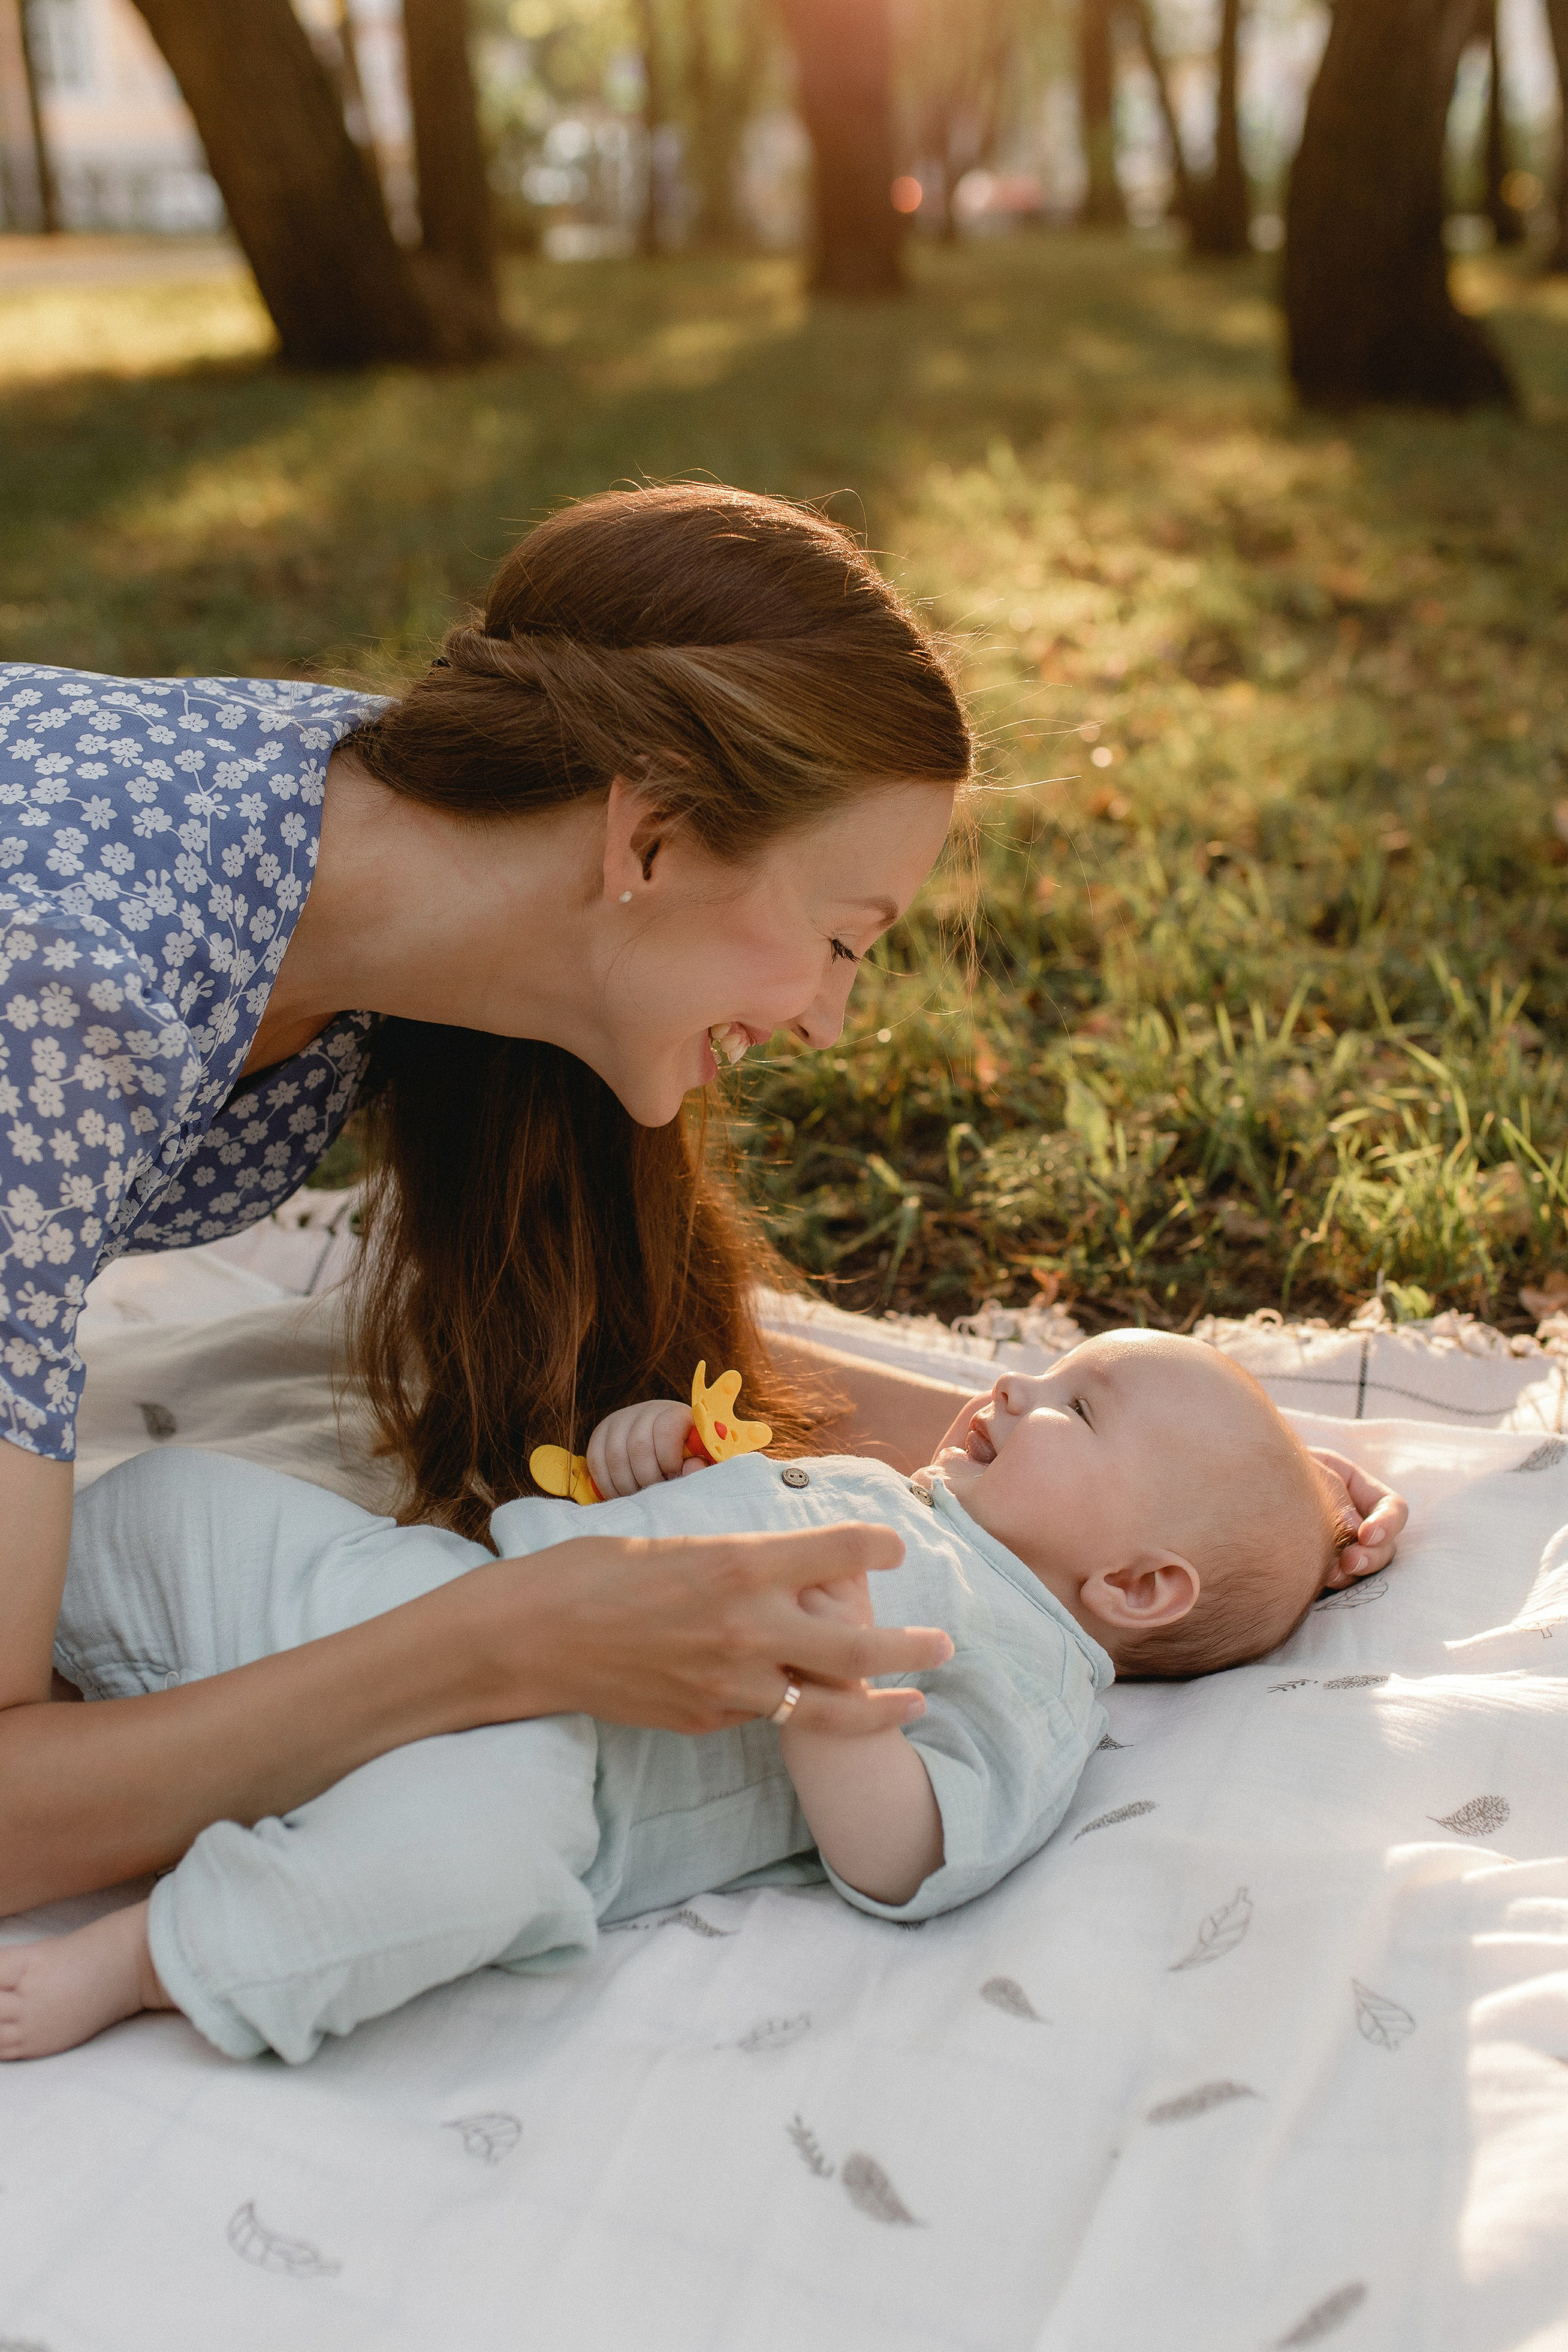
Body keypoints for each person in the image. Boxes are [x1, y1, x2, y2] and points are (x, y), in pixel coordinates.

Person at [0, 483, 1405, 1920]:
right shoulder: (56, 1006)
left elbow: (611, 1324)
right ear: (652, 840)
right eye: (844, 941)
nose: (829, 1023)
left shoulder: (401, 847)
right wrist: (497, 1645)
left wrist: (1198, 1474)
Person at [0, 1330, 1364, 2065]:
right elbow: (630, 1535)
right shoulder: (890, 1495)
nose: (1015, 1380)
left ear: (1135, 1588)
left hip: (544, 1760)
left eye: (1081, 1405)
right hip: (409, 1596)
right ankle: (54, 1673)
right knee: (178, 1509)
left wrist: (833, 1707)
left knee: (455, 1869)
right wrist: (645, 1461)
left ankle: (155, 1958)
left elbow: (906, 1858)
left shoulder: (1030, 1673)